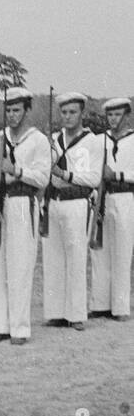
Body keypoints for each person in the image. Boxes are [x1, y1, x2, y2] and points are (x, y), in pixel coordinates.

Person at [0, 87, 50, 344]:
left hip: (22, 203)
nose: (12, 115)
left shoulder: (38, 140)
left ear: (27, 110)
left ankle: (19, 327)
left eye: (17, 110)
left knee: (20, 265)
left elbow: (42, 176)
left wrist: (16, 170)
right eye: (8, 110)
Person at [41, 92, 100, 329]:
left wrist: (66, 175)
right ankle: (56, 311)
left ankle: (76, 315)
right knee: (53, 257)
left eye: (72, 112)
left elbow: (94, 177)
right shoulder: (54, 140)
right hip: (53, 201)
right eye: (64, 112)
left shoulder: (92, 141)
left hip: (77, 202)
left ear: (82, 114)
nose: (67, 117)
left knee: (75, 257)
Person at [91, 97, 134, 321]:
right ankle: (100, 303)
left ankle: (120, 306)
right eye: (110, 115)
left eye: (118, 115)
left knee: (122, 250)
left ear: (126, 115)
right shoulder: (99, 140)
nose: (113, 119)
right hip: (103, 197)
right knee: (99, 249)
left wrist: (117, 175)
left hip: (126, 197)